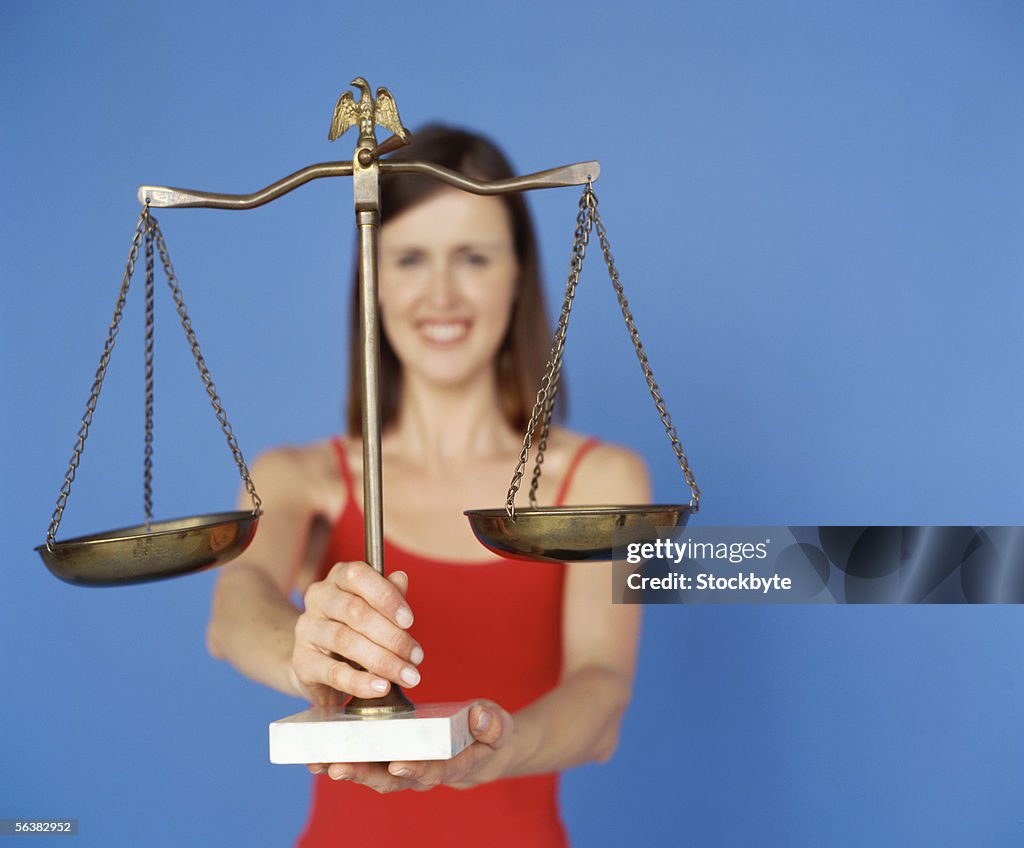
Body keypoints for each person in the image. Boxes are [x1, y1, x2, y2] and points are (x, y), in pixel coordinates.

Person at [205, 125, 649, 846]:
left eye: (473, 257)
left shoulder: (600, 479)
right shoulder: (300, 477)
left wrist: (505, 746)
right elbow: (234, 606)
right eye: (410, 258)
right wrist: (303, 646)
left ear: (517, 273)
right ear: (372, 280)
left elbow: (601, 694)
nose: (442, 293)